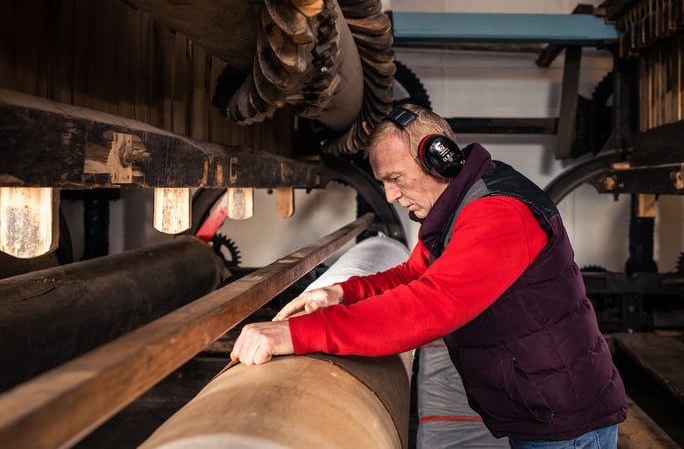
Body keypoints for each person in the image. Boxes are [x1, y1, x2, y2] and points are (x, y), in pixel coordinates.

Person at [231, 104, 627, 448]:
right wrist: (339, 293)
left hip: (565, 421)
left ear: (439, 159)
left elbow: (429, 305)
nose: (389, 196)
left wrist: (295, 334)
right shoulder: (455, 210)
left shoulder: (497, 213)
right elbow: (412, 276)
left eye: (396, 178)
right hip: (538, 404)